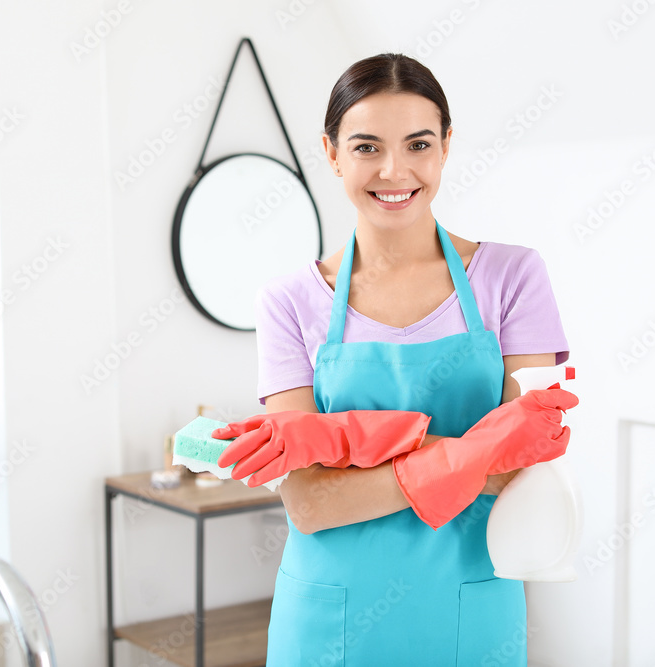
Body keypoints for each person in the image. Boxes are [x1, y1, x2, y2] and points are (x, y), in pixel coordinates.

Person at [214, 53, 578, 666]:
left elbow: (522, 469)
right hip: (329, 619)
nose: (394, 170)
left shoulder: (512, 278)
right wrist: (473, 452)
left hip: (470, 608)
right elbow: (309, 503)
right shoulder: (288, 302)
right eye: (365, 147)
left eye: (417, 143)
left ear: (445, 147)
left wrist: (339, 441)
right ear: (330, 153)